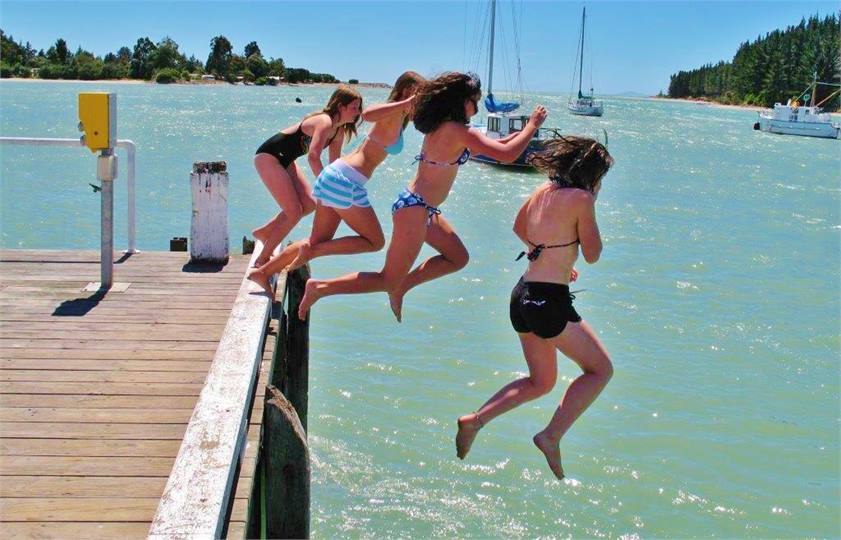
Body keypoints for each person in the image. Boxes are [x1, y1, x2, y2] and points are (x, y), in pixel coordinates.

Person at [296, 72, 547, 321]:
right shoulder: (458, 131)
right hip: (414, 210)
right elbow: (506, 155)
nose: (477, 106)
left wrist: (522, 134)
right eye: (475, 100)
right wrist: (532, 126)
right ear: (461, 101)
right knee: (386, 279)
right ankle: (320, 288)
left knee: (458, 257)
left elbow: (502, 144)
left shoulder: (448, 128)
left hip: (422, 208)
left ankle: (402, 286)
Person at [454, 136, 614, 480]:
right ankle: (551, 435)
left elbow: (518, 225)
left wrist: (543, 251)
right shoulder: (582, 198)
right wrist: (591, 205)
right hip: (547, 301)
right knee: (600, 370)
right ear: (591, 174)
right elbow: (593, 253)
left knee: (541, 382)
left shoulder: (542, 191)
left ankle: (475, 420)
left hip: (523, 294)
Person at [247, 72, 426, 293]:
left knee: (315, 241)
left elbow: (334, 157)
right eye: (419, 94)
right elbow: (369, 114)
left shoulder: (398, 118)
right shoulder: (391, 112)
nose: (420, 100)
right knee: (375, 242)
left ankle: (262, 272)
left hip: (339, 176)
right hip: (346, 181)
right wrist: (407, 102)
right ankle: (303, 255)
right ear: (408, 91)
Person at [252, 85, 362, 266]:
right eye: (354, 107)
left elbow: (333, 165)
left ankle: (265, 232)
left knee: (309, 204)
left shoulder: (338, 131)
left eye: (359, 108)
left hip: (286, 160)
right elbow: (313, 156)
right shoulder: (324, 121)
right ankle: (262, 260)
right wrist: (326, 188)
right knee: (294, 212)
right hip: (269, 157)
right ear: (340, 106)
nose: (357, 113)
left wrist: (342, 185)